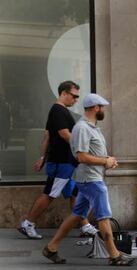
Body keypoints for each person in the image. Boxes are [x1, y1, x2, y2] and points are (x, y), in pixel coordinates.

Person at [43, 93, 134, 266]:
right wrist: (104, 161)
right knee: (104, 217)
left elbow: (92, 153)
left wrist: (107, 159)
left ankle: (51, 247)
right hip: (91, 180)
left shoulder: (92, 128)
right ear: (95, 108)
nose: (103, 110)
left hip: (90, 177)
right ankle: (114, 255)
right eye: (102, 107)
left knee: (77, 214)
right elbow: (81, 157)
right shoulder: (83, 128)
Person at [18, 81, 97, 239]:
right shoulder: (58, 110)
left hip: (65, 161)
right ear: (63, 94)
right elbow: (64, 134)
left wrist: (42, 157)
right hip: (62, 162)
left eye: (77, 97)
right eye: (74, 96)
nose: (76, 100)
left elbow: (47, 136)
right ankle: (28, 224)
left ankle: (85, 226)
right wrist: (82, 149)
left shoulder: (58, 111)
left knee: (75, 193)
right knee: (50, 194)